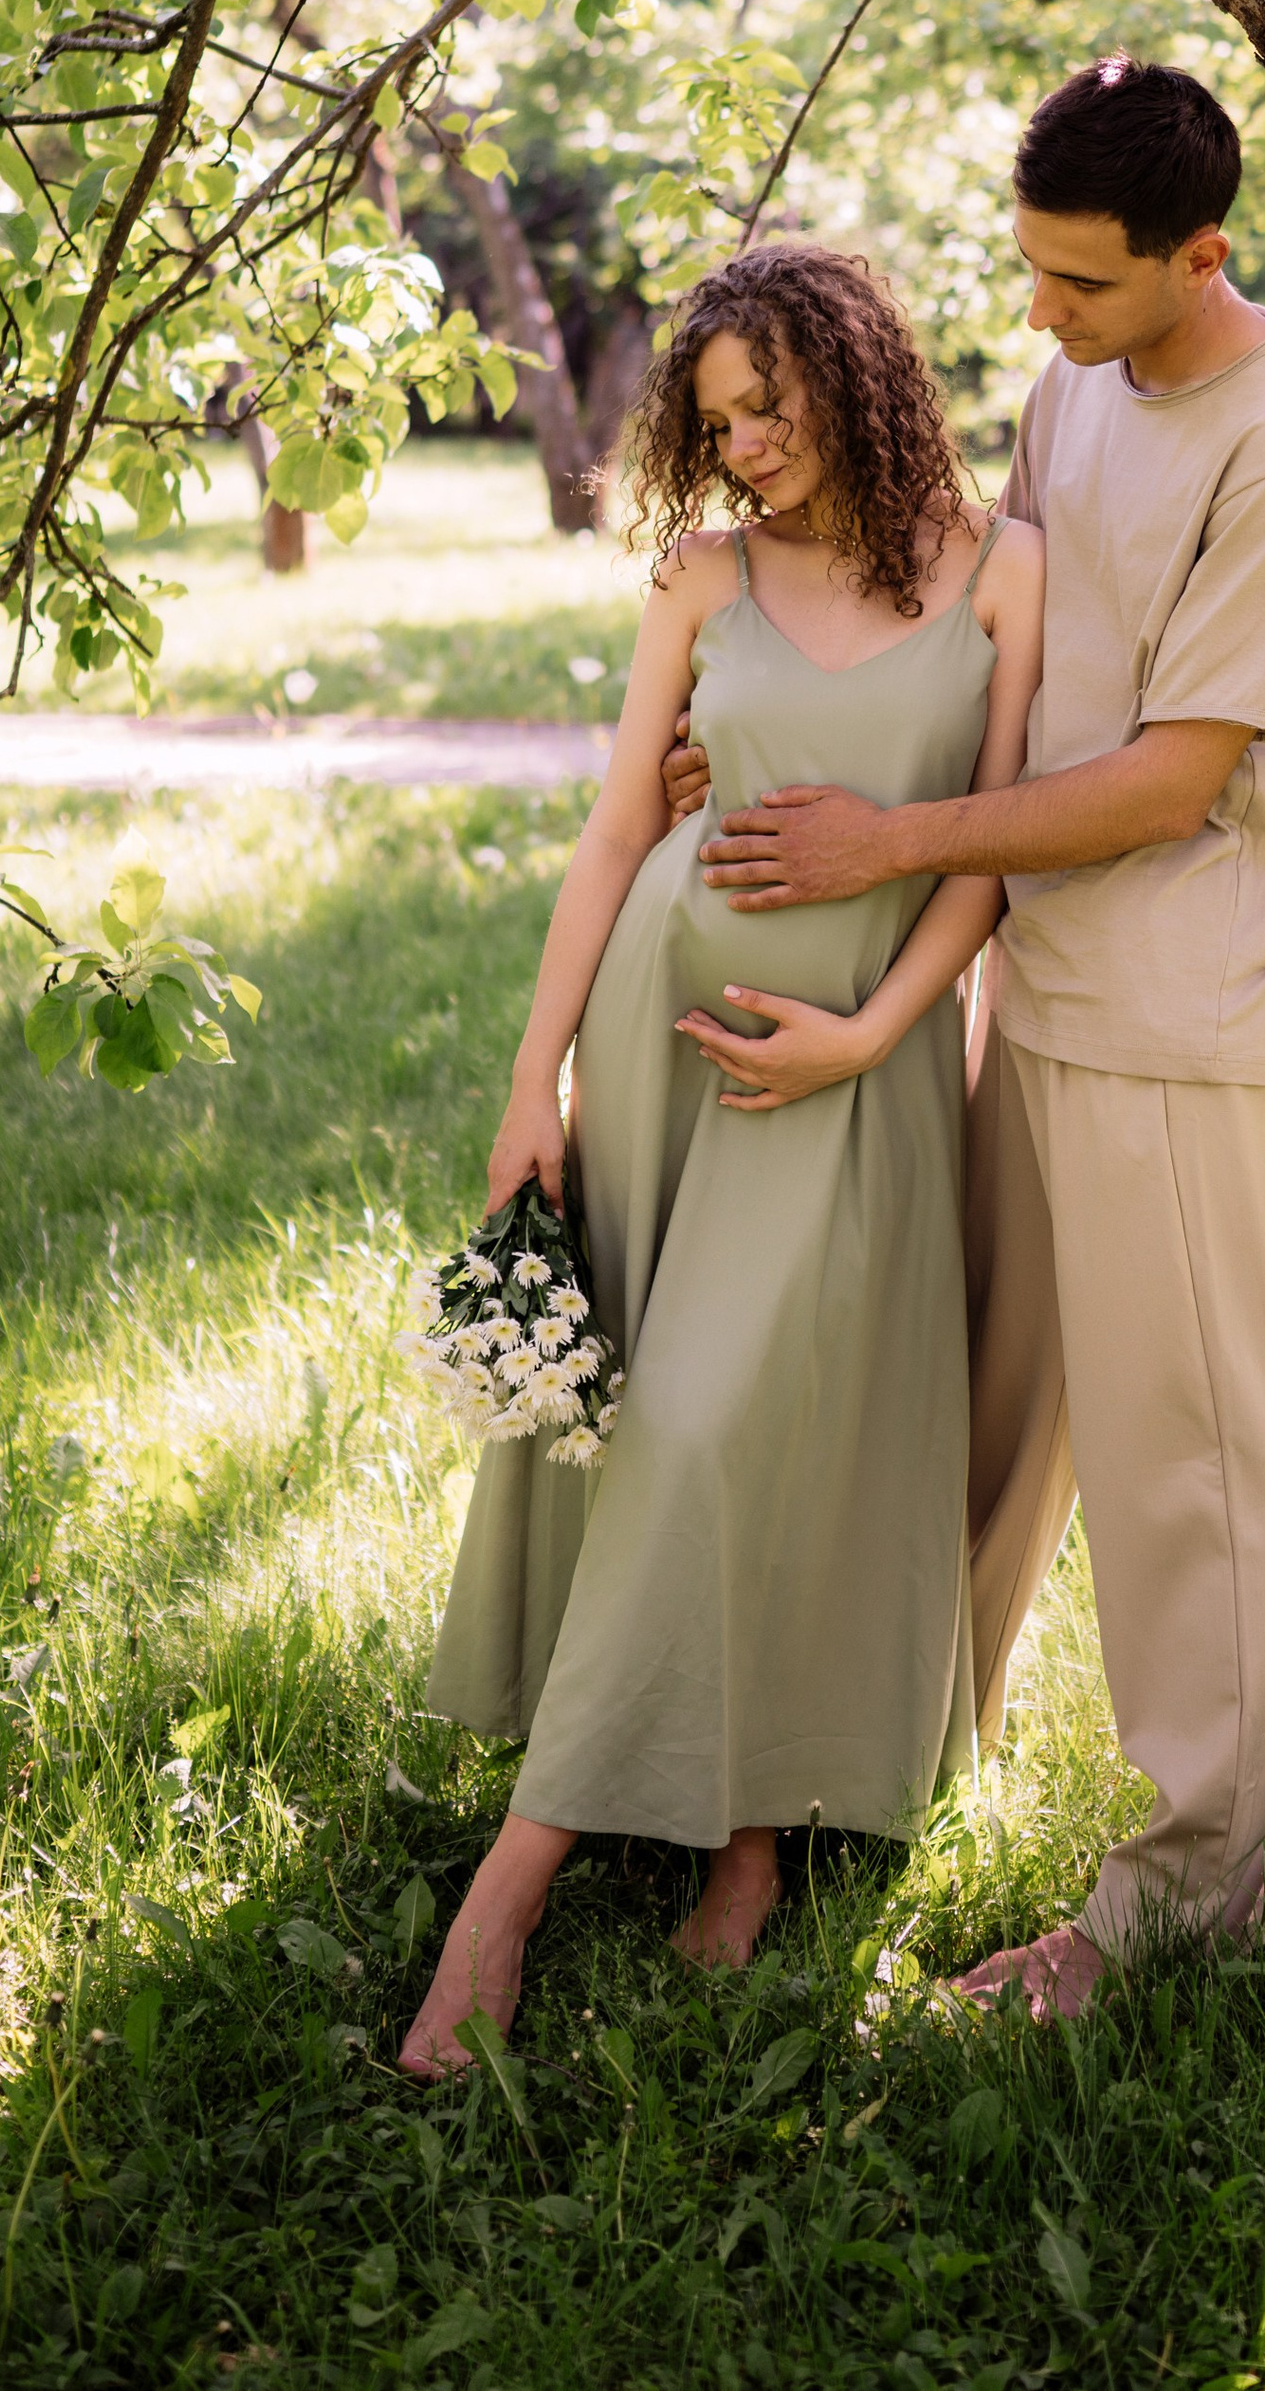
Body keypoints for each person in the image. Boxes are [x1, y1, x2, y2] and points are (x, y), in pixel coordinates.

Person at [694, 61, 1265, 2019]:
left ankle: (1190, 1899)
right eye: (1031, 270)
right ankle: (876, 1763)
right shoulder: (1078, 386)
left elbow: (1169, 780)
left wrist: (894, 842)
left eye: (1081, 281)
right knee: (968, 1407)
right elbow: (986, 638)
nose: (1041, 313)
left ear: (1201, 256)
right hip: (1031, 973)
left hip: (1170, 1019)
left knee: (1190, 1480)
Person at [400, 242, 1043, 2077]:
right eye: (720, 421)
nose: (748, 446)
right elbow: (621, 832)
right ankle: (723, 1836)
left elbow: (987, 850)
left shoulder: (1004, 575)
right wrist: (534, 1078)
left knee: (741, 1424)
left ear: (860, 372)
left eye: (772, 405)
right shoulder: (702, 576)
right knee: (681, 1421)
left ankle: (521, 1892)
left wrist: (876, 1029)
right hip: (663, 1032)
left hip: (854, 1067)